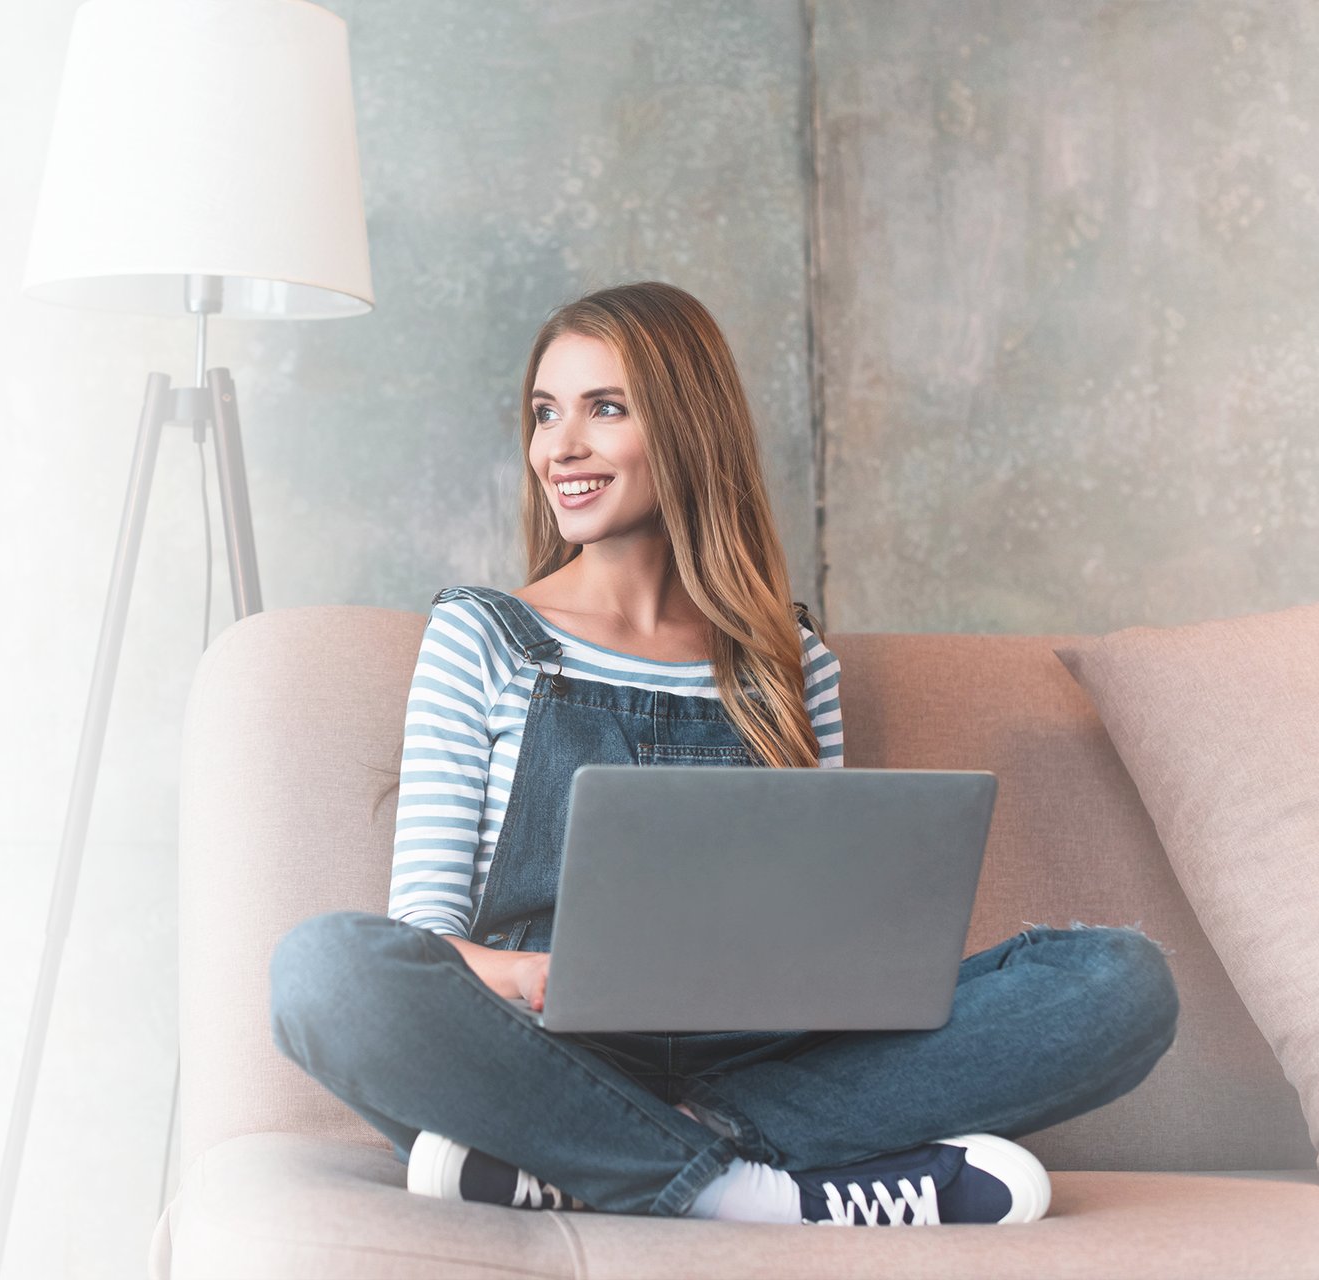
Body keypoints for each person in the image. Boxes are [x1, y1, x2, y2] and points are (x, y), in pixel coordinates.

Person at [268, 281, 1180, 1226]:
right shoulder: (483, 637)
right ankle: (768, 1194)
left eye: (605, 408)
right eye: (545, 413)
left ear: (688, 428)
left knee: (1120, 983)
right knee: (324, 972)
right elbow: (420, 938)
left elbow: (830, 934)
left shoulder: (789, 660)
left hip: (767, 1056)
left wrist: (864, 972)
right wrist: (534, 978)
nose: (560, 447)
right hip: (552, 1045)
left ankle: (599, 1163)